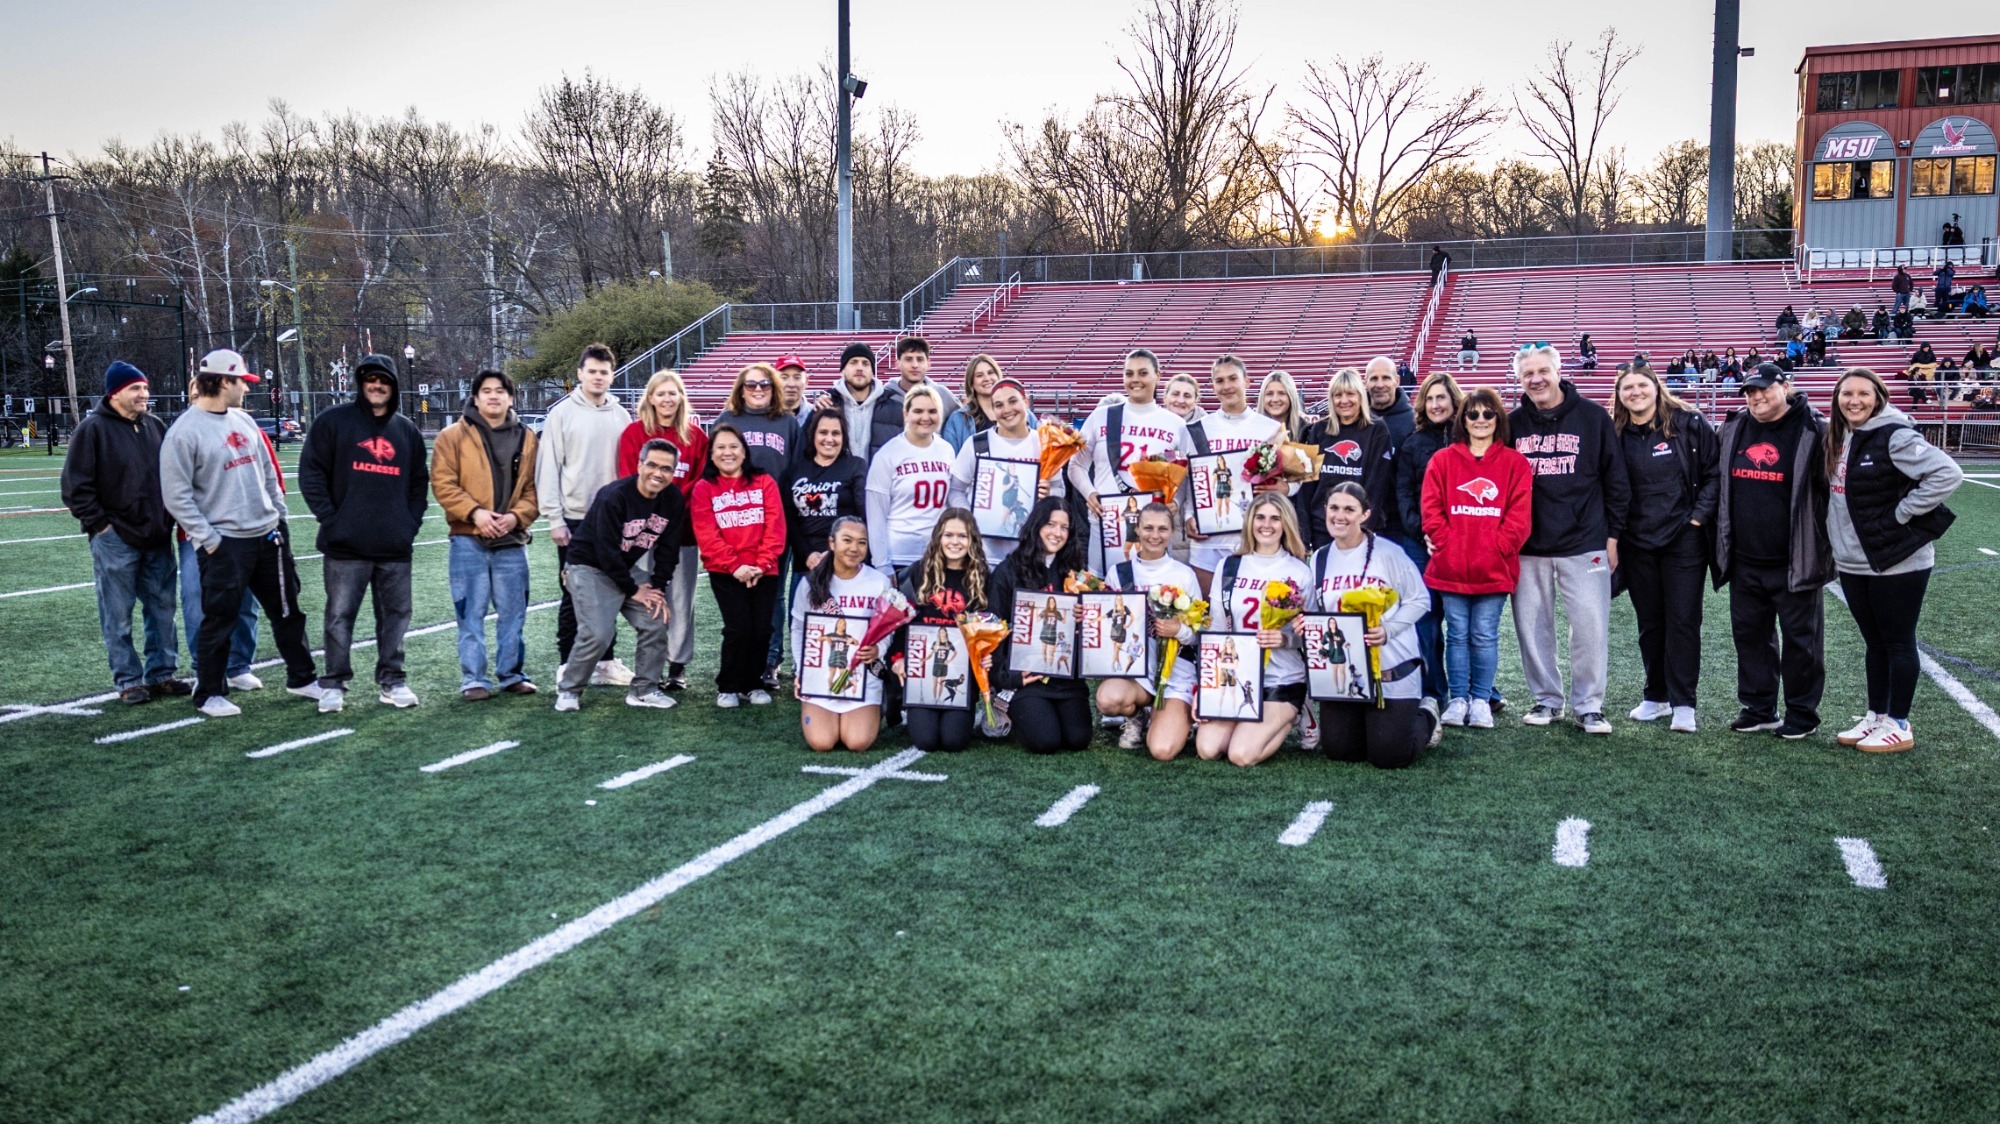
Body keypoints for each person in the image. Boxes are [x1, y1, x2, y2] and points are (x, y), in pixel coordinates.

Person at [159, 349, 321, 716]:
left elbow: (266, 474)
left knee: (288, 612)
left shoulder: (245, 422)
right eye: (241, 382)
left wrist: (278, 519)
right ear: (222, 382)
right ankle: (209, 692)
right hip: (225, 544)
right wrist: (209, 539)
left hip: (267, 536)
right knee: (219, 618)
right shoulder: (184, 432)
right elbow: (176, 496)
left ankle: (302, 677)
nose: (246, 389)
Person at [1825, 368, 1962, 752]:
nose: (1854, 400)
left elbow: (1947, 473)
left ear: (1878, 396)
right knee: (1875, 643)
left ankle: (1899, 723)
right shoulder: (1842, 435)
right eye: (1846, 393)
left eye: (1863, 394)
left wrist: (1902, 513)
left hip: (1898, 559)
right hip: (1854, 559)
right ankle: (1877, 716)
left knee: (1898, 642)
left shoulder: (1895, 434)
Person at [298, 352, 428, 713]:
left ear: (394, 386)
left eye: (384, 380)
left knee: (396, 617)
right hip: (345, 545)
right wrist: (331, 519)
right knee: (339, 617)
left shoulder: (407, 431)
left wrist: (409, 525)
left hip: (393, 546)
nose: (377, 385)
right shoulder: (333, 422)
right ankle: (335, 683)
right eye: (371, 379)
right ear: (360, 383)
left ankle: (392, 681)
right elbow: (311, 474)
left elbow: (419, 484)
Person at [1508, 342, 1627, 734]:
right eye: (1528, 374)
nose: (1536, 379)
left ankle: (1589, 705)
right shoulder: (1512, 425)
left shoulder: (1593, 417)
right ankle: (1546, 700)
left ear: (1558, 371)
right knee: (1531, 627)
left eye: (1543, 371)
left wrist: (1613, 536)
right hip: (1528, 546)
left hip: (1585, 541)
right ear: (1519, 379)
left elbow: (1616, 480)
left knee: (1590, 626)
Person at [1714, 363, 1832, 739]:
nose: (1756, 397)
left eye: (1764, 389)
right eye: (1749, 392)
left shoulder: (1816, 429)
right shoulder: (1734, 427)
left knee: (1802, 641)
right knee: (1750, 637)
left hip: (1794, 559)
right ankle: (1759, 707)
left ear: (1786, 387)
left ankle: (1801, 713)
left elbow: (1832, 490)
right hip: (1745, 558)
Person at [62, 360, 186, 704]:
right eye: (136, 388)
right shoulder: (92, 430)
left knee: (163, 611)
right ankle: (129, 680)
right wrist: (102, 527)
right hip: (115, 540)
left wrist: (166, 519)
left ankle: (162, 673)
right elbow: (75, 488)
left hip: (157, 536)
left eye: (145, 387)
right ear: (115, 393)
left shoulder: (155, 426)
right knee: (117, 615)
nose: (144, 394)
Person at [1611, 364, 1719, 734]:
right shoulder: (1615, 433)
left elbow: (1713, 473)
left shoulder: (1689, 423)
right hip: (1637, 541)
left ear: (1656, 388)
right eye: (1628, 387)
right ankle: (1655, 696)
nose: (1635, 392)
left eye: (1642, 385)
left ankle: (1684, 703)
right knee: (1650, 623)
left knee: (1683, 621)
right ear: (1620, 394)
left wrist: (1697, 519)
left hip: (1683, 540)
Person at [1422, 386, 1532, 729]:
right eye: (1473, 414)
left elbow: (1519, 517)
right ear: (1463, 420)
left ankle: (1482, 699)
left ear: (1498, 419)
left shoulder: (1516, 464)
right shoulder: (1443, 460)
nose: (1481, 420)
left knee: (1484, 634)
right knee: (1456, 633)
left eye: (1488, 414)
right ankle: (1458, 699)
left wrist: (1497, 546)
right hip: (1451, 566)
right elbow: (1431, 509)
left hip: (1494, 568)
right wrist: (1448, 542)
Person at [431, 369, 540, 700]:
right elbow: (443, 483)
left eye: (500, 391)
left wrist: (515, 517)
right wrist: (476, 513)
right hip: (468, 539)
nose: (494, 396)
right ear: (475, 398)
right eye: (487, 391)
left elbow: (536, 489)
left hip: (511, 541)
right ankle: (474, 679)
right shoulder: (451, 437)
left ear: (510, 397)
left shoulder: (527, 437)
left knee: (513, 614)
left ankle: (511, 674)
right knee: (470, 613)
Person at [553, 439, 685, 711]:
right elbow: (604, 551)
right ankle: (569, 689)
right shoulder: (614, 495)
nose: (658, 473)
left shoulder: (672, 498)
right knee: (599, 634)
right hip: (588, 567)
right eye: (652, 465)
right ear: (640, 464)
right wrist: (634, 589)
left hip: (622, 567)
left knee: (655, 619)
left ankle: (643, 690)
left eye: (666, 468)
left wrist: (657, 588)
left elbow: (669, 549)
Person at [1309, 482, 1435, 767]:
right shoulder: (1320, 558)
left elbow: (1420, 600)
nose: (1340, 516)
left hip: (1390, 671)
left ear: (1365, 514)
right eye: (1334, 508)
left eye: (1349, 509)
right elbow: (1315, 612)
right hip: (1347, 675)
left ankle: (1426, 713)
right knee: (1340, 751)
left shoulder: (1389, 553)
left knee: (1389, 756)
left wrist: (1388, 630)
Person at [537, 342, 634, 687]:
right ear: (579, 374)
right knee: (573, 592)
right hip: (575, 518)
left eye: (604, 372)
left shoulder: (622, 416)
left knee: (610, 590)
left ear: (612, 375)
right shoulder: (562, 414)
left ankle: (605, 663)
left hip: (613, 520)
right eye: (591, 371)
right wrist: (554, 519)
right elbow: (548, 468)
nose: (597, 377)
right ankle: (568, 662)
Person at [1196, 493, 1313, 767]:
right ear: (1250, 521)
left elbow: (1310, 632)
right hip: (1237, 675)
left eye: (1275, 518)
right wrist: (1204, 688)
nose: (1267, 525)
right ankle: (1253, 720)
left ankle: (1293, 713)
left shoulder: (1299, 571)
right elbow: (1214, 629)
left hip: (1281, 677)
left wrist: (1284, 638)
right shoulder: (1229, 566)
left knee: (1241, 755)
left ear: (1286, 523)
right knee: (1207, 748)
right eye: (1260, 517)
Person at [617, 369, 707, 690]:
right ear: (650, 398)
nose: (668, 399)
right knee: (649, 598)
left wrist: (671, 505)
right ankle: (650, 665)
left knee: (682, 600)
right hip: (643, 534)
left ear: (681, 397)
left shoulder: (697, 436)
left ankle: (677, 666)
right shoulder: (633, 434)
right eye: (661, 393)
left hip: (682, 533)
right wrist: (655, 507)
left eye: (673, 393)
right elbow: (629, 477)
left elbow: (700, 483)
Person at [711, 361, 800, 689]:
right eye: (751, 385)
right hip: (735, 522)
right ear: (740, 389)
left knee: (772, 594)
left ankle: (769, 661)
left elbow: (795, 470)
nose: (758, 390)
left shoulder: (787, 423)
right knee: (737, 597)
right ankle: (740, 663)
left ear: (774, 388)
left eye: (764, 384)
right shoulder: (727, 420)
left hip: (776, 522)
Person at [1066, 348, 1193, 571]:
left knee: (1157, 594)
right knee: (1105, 592)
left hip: (1154, 526)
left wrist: (1177, 502)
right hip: (1107, 522)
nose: (1135, 380)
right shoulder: (1101, 416)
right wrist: (1090, 493)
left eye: (1143, 373)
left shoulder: (1176, 424)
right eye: (1129, 373)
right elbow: (1076, 465)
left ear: (1157, 376)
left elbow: (1185, 473)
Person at [689, 424, 787, 707]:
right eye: (720, 447)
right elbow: (707, 534)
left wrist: (762, 563)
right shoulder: (704, 488)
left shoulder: (763, 481)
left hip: (763, 569)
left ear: (744, 452)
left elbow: (775, 525)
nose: (727, 452)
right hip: (726, 571)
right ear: (712, 453)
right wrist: (735, 566)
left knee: (761, 629)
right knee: (738, 628)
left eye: (733, 446)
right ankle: (728, 685)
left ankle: (752, 683)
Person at [1094, 502, 1202, 757]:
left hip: (1175, 673)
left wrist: (1179, 630)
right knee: (1108, 699)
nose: (1155, 535)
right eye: (1148, 528)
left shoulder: (1184, 575)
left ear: (1172, 532)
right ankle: (1137, 715)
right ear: (1137, 529)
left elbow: (1200, 636)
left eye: (1163, 529)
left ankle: (1172, 716)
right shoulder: (1118, 573)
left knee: (1162, 750)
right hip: (1136, 669)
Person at [990, 497, 1095, 753]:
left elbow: (1088, 632)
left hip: (1064, 677)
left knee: (1078, 740)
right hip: (1027, 678)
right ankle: (1002, 702)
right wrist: (1008, 677)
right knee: (1045, 741)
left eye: (1064, 527)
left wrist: (1084, 619)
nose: (1057, 533)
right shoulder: (1007, 571)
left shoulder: (1075, 574)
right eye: (1050, 524)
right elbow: (992, 630)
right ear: (1037, 525)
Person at [1392, 371, 1466, 713]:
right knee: (1427, 619)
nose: (1436, 404)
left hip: (1465, 543)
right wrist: (1421, 530)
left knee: (1465, 622)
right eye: (1430, 398)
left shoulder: (1472, 437)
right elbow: (1404, 492)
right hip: (1422, 544)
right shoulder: (1413, 442)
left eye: (1442, 397)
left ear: (1454, 400)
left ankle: (1478, 692)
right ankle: (1434, 692)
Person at [891, 509, 991, 753]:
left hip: (961, 675)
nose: (955, 542)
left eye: (962, 536)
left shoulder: (982, 578)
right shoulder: (917, 573)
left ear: (972, 541)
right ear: (938, 537)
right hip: (921, 672)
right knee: (925, 740)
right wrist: (898, 658)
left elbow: (989, 627)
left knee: (953, 741)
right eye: (948, 535)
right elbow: (899, 625)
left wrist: (987, 654)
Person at [789, 516, 892, 751]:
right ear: (832, 543)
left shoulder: (879, 582)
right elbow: (798, 629)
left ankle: (878, 704)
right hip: (820, 677)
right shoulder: (810, 583)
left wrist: (879, 649)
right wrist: (801, 670)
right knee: (821, 743)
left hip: (862, 675)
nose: (854, 548)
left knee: (857, 742)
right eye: (847, 540)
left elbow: (888, 629)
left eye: (862, 542)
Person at [1184, 355, 1283, 588]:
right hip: (1207, 539)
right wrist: (1189, 515)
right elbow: (1188, 480)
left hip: (1253, 535)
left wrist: (1285, 488)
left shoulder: (1270, 428)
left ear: (1246, 382)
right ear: (1213, 386)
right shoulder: (1197, 429)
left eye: (1232, 379)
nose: (1226, 386)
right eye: (1219, 381)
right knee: (1207, 614)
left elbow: (1291, 478)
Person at [948, 377, 1053, 565]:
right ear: (993, 410)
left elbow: (1059, 490)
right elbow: (955, 490)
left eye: (1013, 401)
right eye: (998, 405)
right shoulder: (977, 444)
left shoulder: (1045, 444)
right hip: (984, 555)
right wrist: (971, 519)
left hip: (1032, 553)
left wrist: (1049, 496)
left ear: (1026, 402)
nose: (1006, 410)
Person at [866, 385, 953, 576]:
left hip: (938, 554)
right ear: (906, 414)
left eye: (932, 411)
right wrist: (882, 565)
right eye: (918, 411)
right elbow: (876, 515)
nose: (925, 417)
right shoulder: (887, 454)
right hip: (899, 555)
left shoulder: (947, 450)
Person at [1302, 367, 1393, 545]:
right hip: (1322, 528)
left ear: (1360, 396)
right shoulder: (1319, 430)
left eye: (1350, 394)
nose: (1344, 401)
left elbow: (1376, 487)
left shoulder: (1377, 430)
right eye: (1338, 395)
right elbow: (1308, 485)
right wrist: (1305, 532)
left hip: (1360, 529)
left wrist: (1363, 528)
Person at [783, 407, 868, 577]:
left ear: (843, 437)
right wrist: (807, 554)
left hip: (845, 561)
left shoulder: (856, 466)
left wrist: (837, 553)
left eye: (836, 433)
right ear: (813, 435)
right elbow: (788, 519)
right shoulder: (795, 470)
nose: (829, 439)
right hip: (807, 564)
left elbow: (864, 515)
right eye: (823, 432)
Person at [941, 353, 1032, 450]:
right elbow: (951, 458)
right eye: (979, 375)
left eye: (991, 372)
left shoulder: (1024, 414)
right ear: (971, 383)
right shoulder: (958, 419)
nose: (987, 379)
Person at [891, 336, 958, 420]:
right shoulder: (884, 397)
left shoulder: (943, 396)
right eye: (908, 359)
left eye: (920, 359)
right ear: (897, 364)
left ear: (928, 364)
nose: (915, 365)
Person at [1364, 355, 1417, 450]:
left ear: (1397, 381)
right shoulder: (1355, 417)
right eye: (1374, 378)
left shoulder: (1415, 420)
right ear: (1366, 383)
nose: (1380, 385)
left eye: (1386, 378)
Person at [1258, 370, 1309, 440]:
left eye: (1281, 393)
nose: (1275, 399)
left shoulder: (1306, 431)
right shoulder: (1251, 429)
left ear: (1291, 397)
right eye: (1269, 394)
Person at [773, 354, 815, 427]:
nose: (791, 384)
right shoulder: (763, 416)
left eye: (797, 378)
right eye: (784, 378)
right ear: (773, 381)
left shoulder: (816, 416)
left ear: (806, 382)